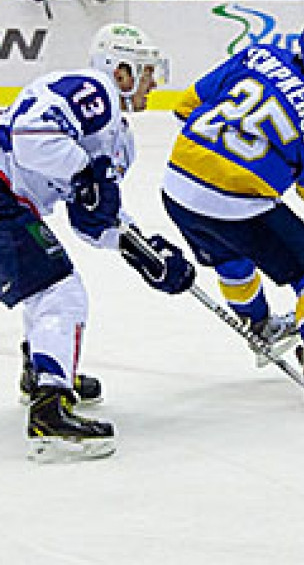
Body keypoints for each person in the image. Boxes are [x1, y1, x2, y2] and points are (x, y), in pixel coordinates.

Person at [164, 16, 304, 418]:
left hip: (177, 186)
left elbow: (186, 107)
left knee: (231, 256)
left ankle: (261, 325)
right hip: (233, 203)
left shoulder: (258, 55)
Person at [0, 23, 195, 463]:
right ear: (121, 71)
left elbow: (92, 217)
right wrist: (86, 174)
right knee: (59, 291)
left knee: (45, 286)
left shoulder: (119, 139)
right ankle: (48, 414)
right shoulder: (95, 91)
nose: (153, 83)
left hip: (11, 202)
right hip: (2, 192)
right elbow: (29, 139)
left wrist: (145, 252)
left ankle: (43, 375)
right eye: (146, 73)